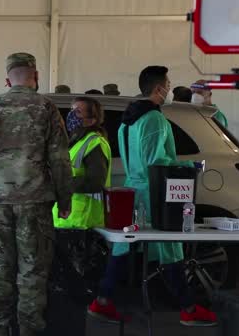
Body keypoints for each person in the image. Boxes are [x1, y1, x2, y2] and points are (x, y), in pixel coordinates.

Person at [88, 66, 218, 327]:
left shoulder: (129, 118)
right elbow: (158, 162)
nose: (169, 88)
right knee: (171, 248)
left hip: (132, 190)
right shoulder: (154, 119)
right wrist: (188, 167)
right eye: (167, 84)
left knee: (123, 246)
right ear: (158, 88)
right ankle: (188, 308)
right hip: (156, 193)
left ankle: (102, 300)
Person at [0, 52, 73, 336]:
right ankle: (29, 331)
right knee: (32, 274)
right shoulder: (45, 108)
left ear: (8, 80)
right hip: (35, 204)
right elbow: (60, 159)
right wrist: (65, 199)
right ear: (36, 76)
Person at [48, 96, 112, 336]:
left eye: (78, 111)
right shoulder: (75, 140)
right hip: (67, 223)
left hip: (82, 226)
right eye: (72, 110)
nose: (72, 115)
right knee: (63, 291)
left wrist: (64, 183)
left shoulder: (94, 143)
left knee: (75, 292)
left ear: (92, 119)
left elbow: (95, 180)